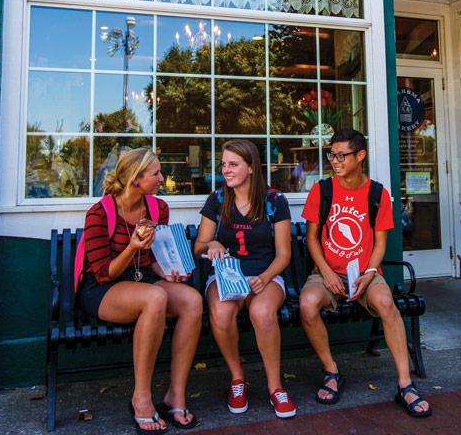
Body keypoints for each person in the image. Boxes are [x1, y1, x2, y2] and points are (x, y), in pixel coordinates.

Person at [299, 129, 432, 418]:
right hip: (326, 273)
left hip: (365, 272)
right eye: (332, 155)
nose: (335, 160)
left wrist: (369, 274)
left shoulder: (377, 193)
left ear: (360, 156)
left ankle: (405, 384)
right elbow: (312, 238)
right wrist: (327, 274)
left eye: (341, 155)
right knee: (307, 304)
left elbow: (381, 243)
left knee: (387, 304)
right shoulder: (322, 191)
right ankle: (332, 371)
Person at [77, 148, 203, 431]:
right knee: (155, 296)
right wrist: (131, 246)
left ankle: (175, 395)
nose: (162, 178)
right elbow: (103, 272)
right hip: (102, 289)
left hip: (142, 280)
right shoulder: (99, 214)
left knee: (192, 301)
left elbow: (151, 260)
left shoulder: (158, 208)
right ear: (136, 179)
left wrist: (168, 271)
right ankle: (142, 398)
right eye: (156, 173)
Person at [193, 139, 297, 419]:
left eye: (233, 164)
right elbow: (199, 246)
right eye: (224, 164)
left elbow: (284, 254)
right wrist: (211, 245)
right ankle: (238, 379)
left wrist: (264, 277)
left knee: (263, 313)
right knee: (221, 312)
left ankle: (275, 386)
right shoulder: (217, 199)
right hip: (227, 276)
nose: (226, 170)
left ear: (251, 168)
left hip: (265, 274)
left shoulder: (274, 200)